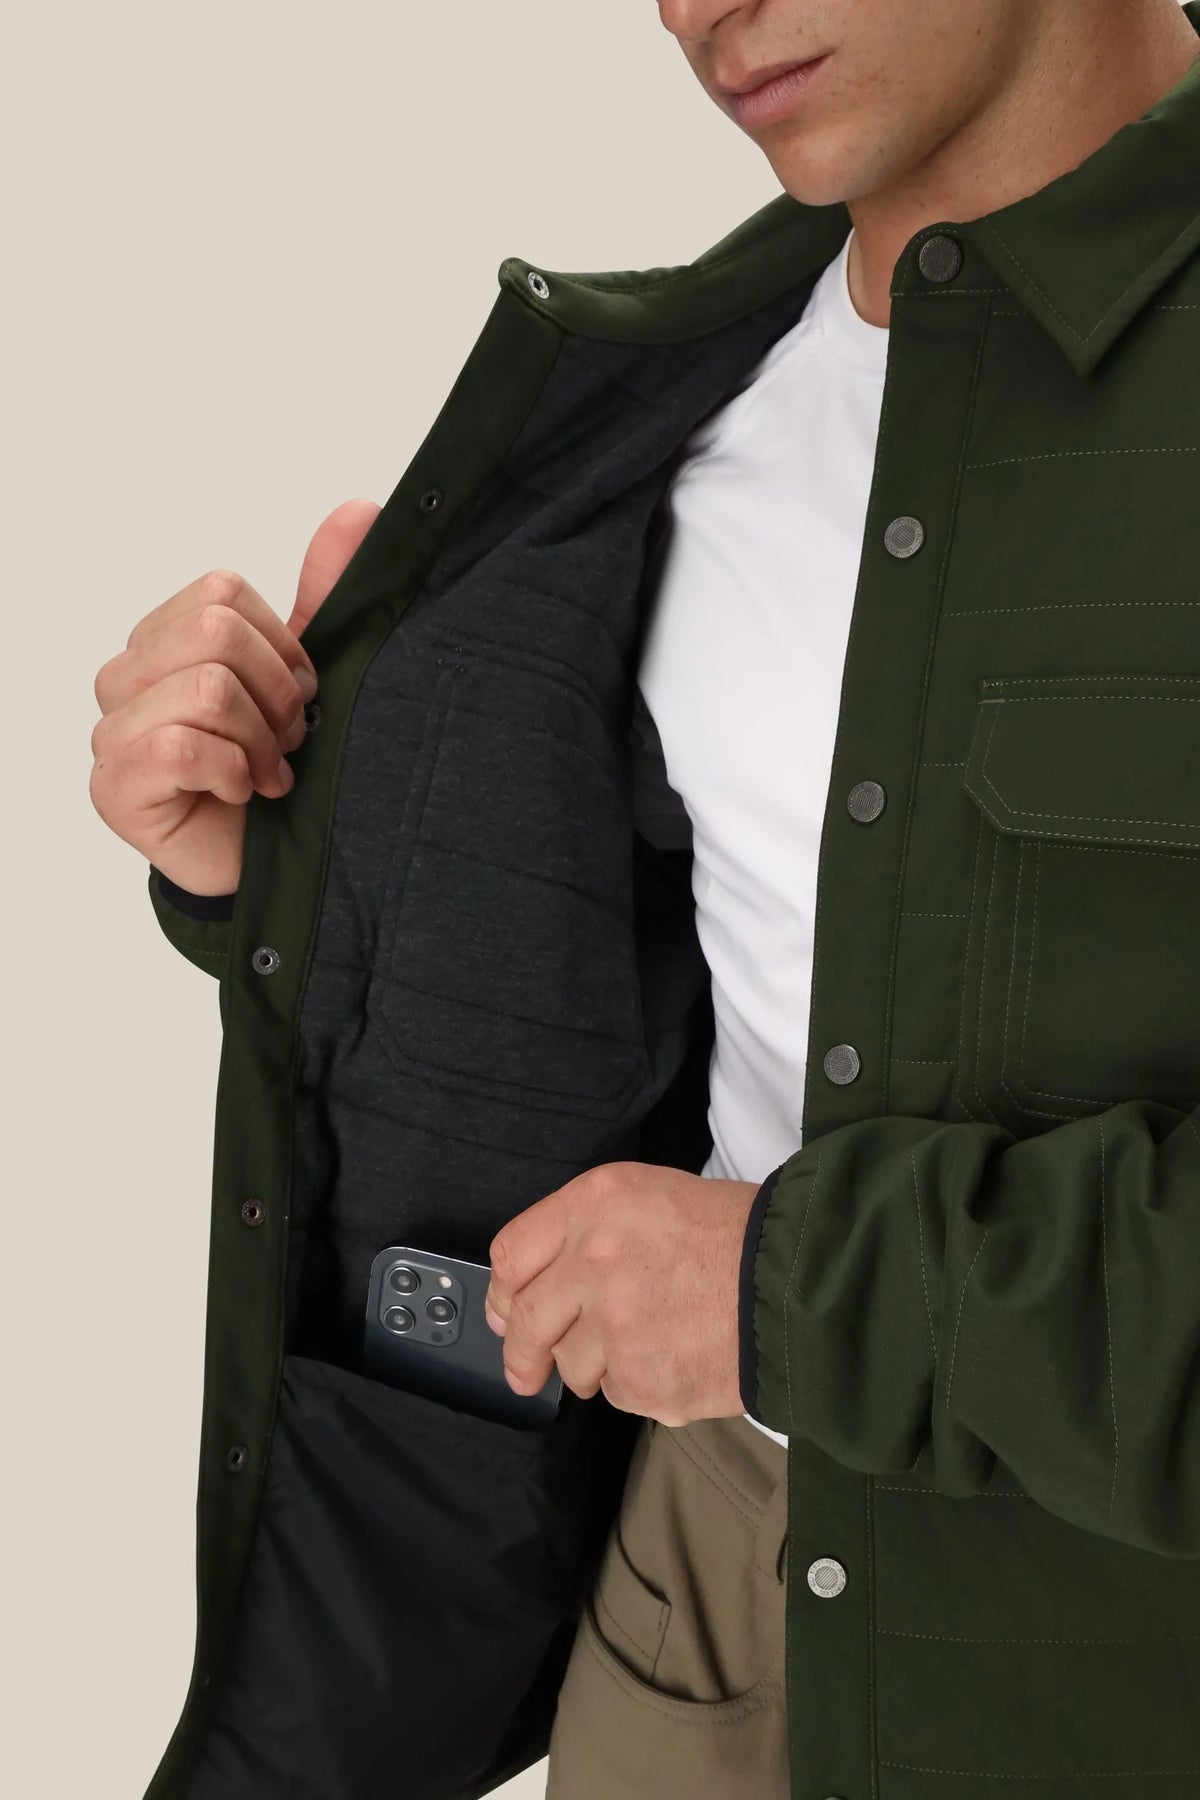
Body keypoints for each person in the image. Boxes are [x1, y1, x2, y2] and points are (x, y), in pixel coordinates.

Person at [89, 3, 1200, 1797]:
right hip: (699, 1598)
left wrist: (787, 1296)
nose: (697, 8)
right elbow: (592, 978)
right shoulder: (660, 392)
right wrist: (278, 854)